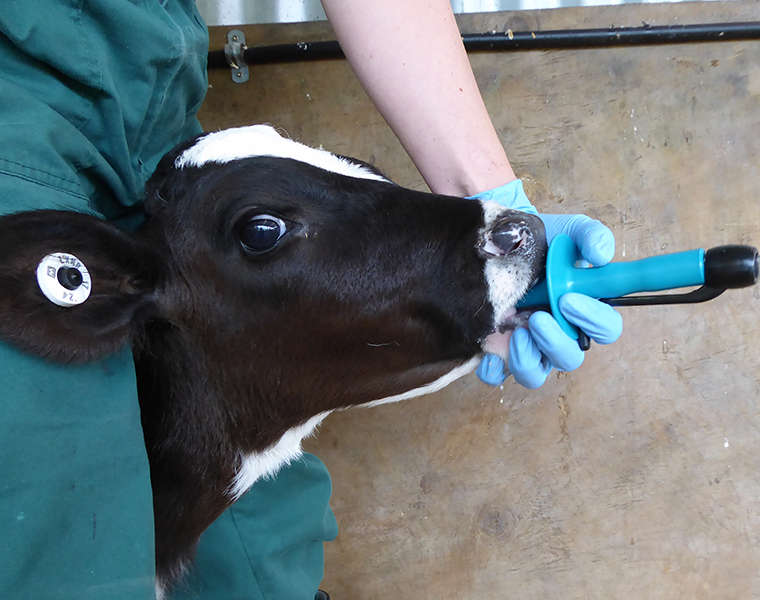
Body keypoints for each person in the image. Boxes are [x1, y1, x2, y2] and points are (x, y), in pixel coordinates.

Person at [0, 1, 621, 599]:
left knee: (259, 566)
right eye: (264, 230)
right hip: (17, 140)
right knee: (69, 548)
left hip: (150, 119)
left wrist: (491, 206)